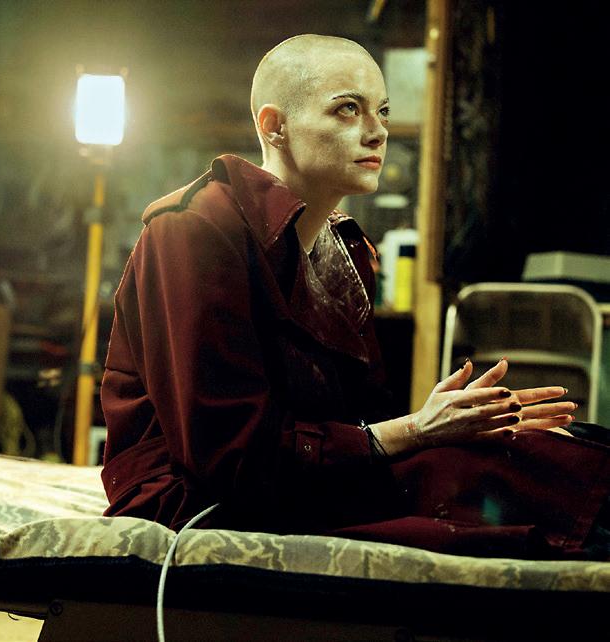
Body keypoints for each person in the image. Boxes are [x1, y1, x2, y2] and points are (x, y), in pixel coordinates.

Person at [100, 34, 610, 559]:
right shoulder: (194, 229)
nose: (377, 131)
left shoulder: (346, 248)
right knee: (498, 484)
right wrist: (418, 431)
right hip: (199, 498)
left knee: (546, 448)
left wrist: (454, 428)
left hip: (310, 481)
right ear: (274, 127)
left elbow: (365, 428)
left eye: (382, 111)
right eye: (348, 109)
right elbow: (231, 458)